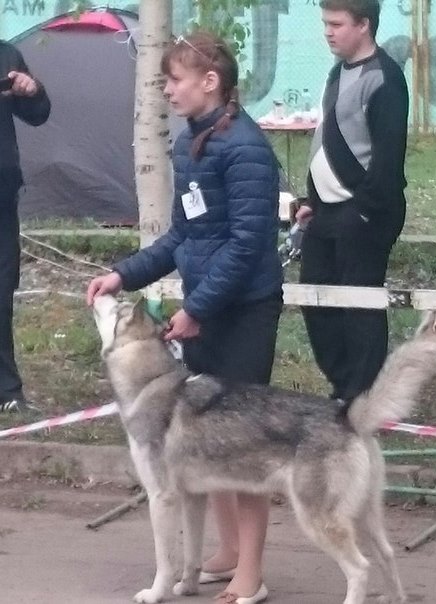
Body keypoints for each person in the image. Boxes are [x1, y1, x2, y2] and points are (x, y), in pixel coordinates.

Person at [87, 31, 283, 604]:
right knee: (206, 443)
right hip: (206, 310)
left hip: (244, 312)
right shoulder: (189, 143)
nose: (167, 91)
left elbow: (247, 244)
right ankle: (226, 551)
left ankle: (251, 575)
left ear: (210, 82)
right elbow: (182, 235)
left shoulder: (246, 148)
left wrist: (196, 308)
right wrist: (123, 275)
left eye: (174, 80)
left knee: (244, 447)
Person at [297, 0, 408, 406]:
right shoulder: (336, 71)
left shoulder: (386, 79)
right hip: (327, 212)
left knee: (359, 306)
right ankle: (343, 386)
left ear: (363, 25)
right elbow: (329, 140)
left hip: (365, 214)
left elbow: (387, 161)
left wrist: (361, 212)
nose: (328, 31)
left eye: (336, 23)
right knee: (315, 299)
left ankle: (362, 398)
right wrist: (313, 199)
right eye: (325, 23)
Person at [0, 41, 51, 413]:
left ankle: (7, 390)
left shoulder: (7, 54)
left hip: (2, 193)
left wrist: (32, 90)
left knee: (2, 290)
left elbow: (38, 114)